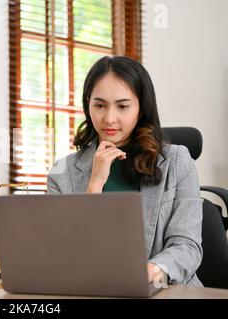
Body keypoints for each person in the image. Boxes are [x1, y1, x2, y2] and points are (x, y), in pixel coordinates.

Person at [47, 56, 203, 287]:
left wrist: (148, 272)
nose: (109, 118)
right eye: (99, 105)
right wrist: (95, 185)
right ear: (88, 104)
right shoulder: (62, 173)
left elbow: (187, 246)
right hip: (94, 290)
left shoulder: (178, 161)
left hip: (166, 290)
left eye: (123, 106)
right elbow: (65, 254)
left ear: (141, 108)